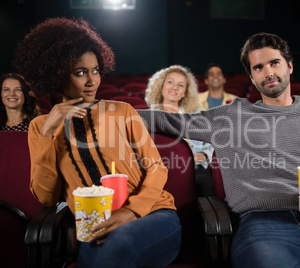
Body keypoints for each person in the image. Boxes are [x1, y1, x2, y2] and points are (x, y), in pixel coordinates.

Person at [138, 32, 300, 267]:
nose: (268, 72)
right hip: (262, 225)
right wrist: (108, 112)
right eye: (259, 67)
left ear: (289, 65)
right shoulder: (232, 115)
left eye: (274, 63)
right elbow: (171, 121)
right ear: (252, 77)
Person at [13, 17, 181, 267]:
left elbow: (157, 167)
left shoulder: (122, 111)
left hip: (152, 215)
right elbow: (47, 197)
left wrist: (131, 211)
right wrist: (49, 131)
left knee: (119, 247)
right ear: (57, 75)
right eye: (80, 73)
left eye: (95, 71)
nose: (92, 81)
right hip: (94, 226)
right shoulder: (41, 127)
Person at [145, 65, 215, 196]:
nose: (175, 87)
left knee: (204, 180)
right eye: (170, 82)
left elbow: (212, 145)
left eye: (181, 85)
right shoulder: (147, 117)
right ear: (161, 86)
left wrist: (203, 156)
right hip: (156, 169)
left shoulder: (197, 117)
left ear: (185, 92)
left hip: (192, 168)